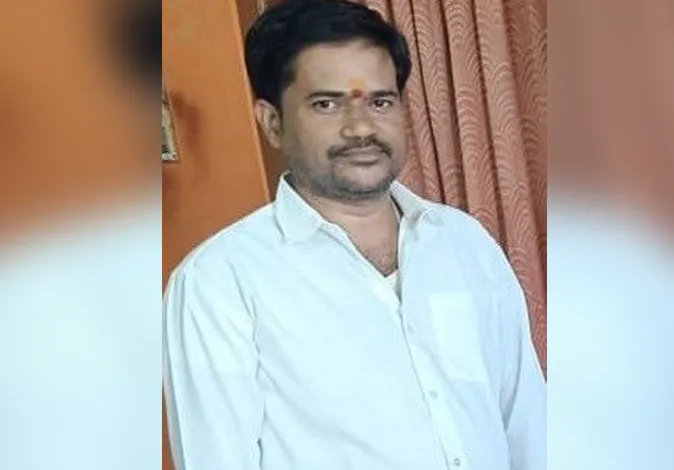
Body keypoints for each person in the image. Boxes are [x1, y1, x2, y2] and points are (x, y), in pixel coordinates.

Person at [162, 1, 546, 469]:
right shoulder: (220, 284)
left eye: (380, 101)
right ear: (272, 123)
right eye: (326, 104)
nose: (361, 127)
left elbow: (527, 422)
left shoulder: (464, 243)